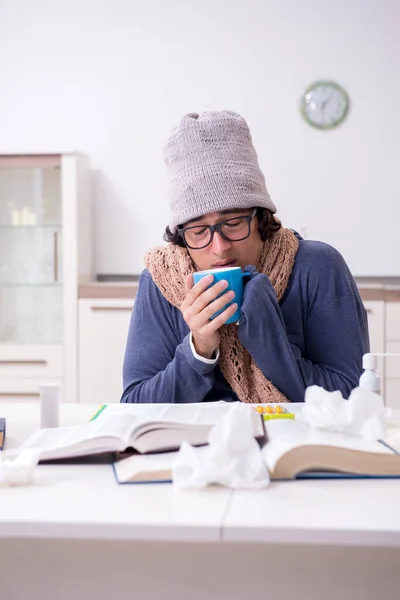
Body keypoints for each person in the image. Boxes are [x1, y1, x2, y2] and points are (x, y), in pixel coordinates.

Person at [121, 110, 369, 404]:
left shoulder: (317, 266)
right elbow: (136, 405)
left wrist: (269, 342)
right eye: (199, 230)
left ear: (260, 216)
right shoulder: (161, 281)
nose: (219, 247)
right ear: (181, 235)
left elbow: (353, 399)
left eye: (233, 223)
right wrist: (199, 349)